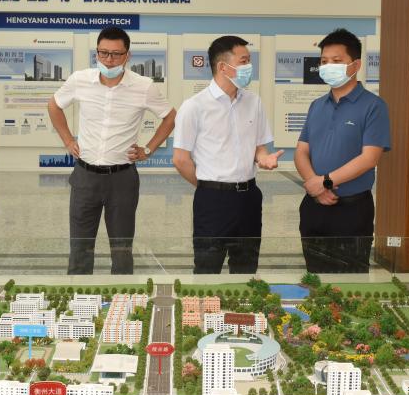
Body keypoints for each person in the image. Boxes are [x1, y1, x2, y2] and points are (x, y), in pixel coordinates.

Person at [48, 27, 176, 275]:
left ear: (128, 56)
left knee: (122, 249)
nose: (109, 60)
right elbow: (54, 106)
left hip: (122, 178)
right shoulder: (80, 80)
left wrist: (148, 149)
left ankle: (122, 294)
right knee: (80, 247)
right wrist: (67, 139)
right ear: (96, 53)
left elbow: (170, 117)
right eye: (103, 53)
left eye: (116, 54)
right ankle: (79, 294)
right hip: (85, 176)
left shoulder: (144, 86)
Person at [173, 36, 283, 274]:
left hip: (249, 198)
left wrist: (263, 158)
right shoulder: (194, 106)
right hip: (213, 201)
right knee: (207, 269)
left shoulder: (254, 102)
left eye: (249, 60)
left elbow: (259, 146)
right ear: (223, 67)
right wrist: (209, 186)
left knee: (246, 268)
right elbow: (180, 160)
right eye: (244, 61)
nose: (249, 66)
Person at [294, 28, 391, 273]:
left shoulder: (374, 106)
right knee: (315, 278)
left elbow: (369, 158)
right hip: (314, 207)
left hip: (352, 210)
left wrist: (325, 182)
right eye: (324, 61)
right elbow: (301, 151)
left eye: (336, 61)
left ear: (355, 65)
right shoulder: (317, 105)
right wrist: (315, 186)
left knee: (350, 282)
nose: (328, 66)